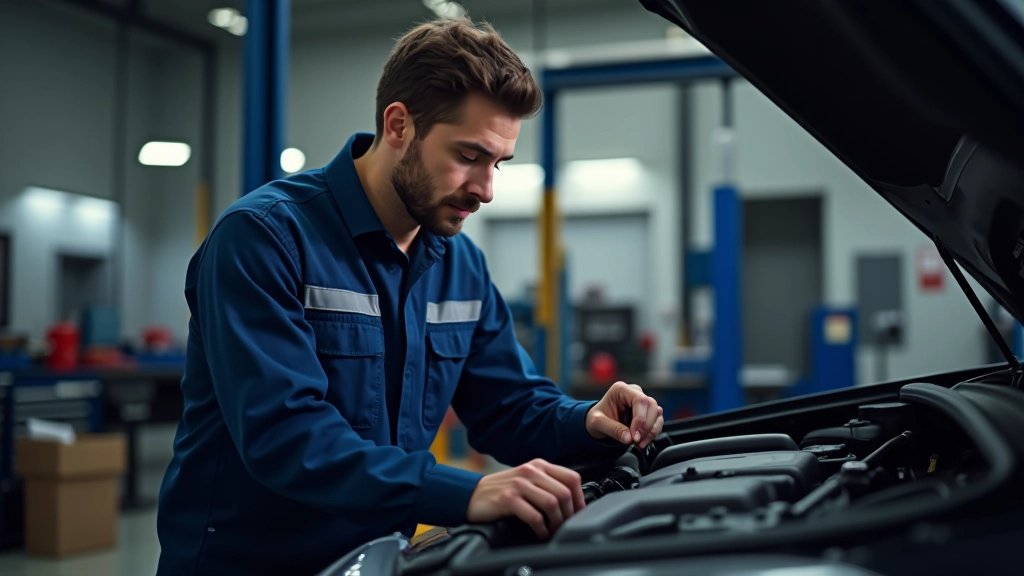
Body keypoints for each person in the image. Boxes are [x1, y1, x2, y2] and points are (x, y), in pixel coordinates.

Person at [155, 18, 664, 576]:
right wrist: (463, 493)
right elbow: (285, 433)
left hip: (379, 562)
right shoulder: (264, 239)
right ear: (398, 125)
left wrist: (584, 420)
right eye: (469, 156)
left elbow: (508, 406)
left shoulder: (459, 263)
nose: (486, 190)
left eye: (498, 163)